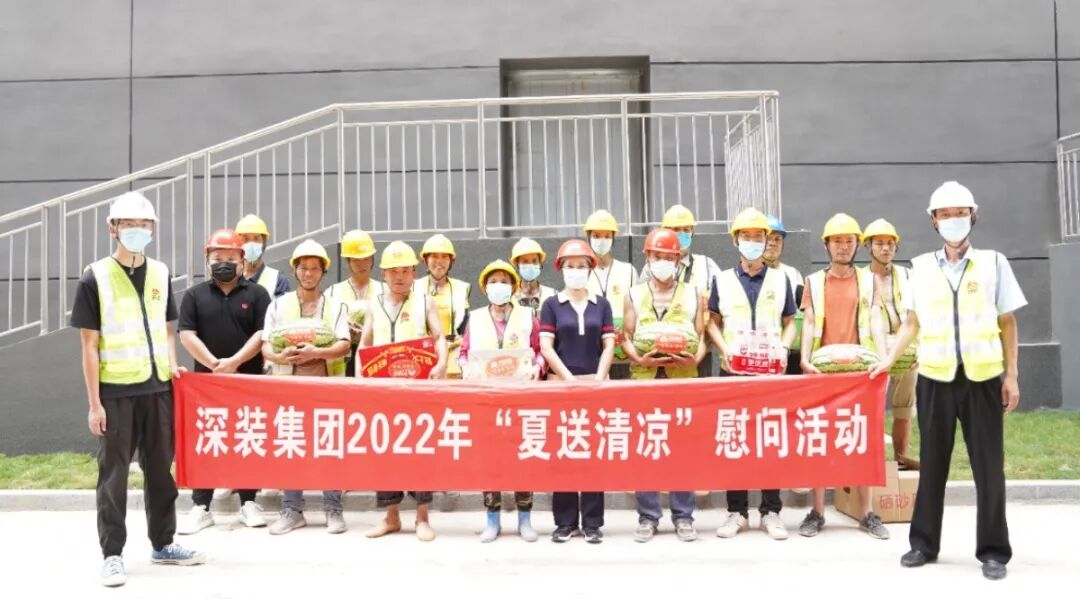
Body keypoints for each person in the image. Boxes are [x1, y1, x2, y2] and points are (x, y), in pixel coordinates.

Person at [871, 181, 1025, 581]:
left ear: (972, 216)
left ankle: (993, 550)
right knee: (933, 465)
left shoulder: (994, 263)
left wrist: (1011, 376)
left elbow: (1007, 322)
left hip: (982, 379)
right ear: (934, 221)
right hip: (935, 378)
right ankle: (923, 544)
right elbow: (911, 322)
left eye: (960, 213)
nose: (953, 220)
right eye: (945, 214)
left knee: (989, 468)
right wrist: (888, 359)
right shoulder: (921, 267)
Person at [70, 191, 205, 588]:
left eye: (144, 225)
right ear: (113, 228)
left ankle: (163, 543)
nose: (137, 231)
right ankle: (112, 554)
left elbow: (167, 330)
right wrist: (94, 404)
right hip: (115, 391)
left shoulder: (161, 273)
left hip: (157, 388)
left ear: (153, 230)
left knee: (161, 470)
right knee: (113, 476)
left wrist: (172, 365)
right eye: (129, 224)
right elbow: (89, 346)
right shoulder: (95, 277)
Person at [706, 208, 797, 541]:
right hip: (734, 373)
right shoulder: (722, 280)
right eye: (747, 236)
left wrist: (784, 348)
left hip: (770, 374)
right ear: (736, 241)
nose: (753, 242)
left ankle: (771, 511)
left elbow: (790, 322)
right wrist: (724, 348)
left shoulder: (781, 280)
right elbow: (712, 323)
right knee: (735, 438)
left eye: (759, 236)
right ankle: (737, 512)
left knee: (770, 439)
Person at [798, 213, 890, 540]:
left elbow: (876, 319)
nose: (843, 246)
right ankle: (817, 512)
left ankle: (867, 514)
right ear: (826, 244)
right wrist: (805, 359)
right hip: (823, 373)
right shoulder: (813, 282)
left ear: (857, 245)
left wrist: (884, 359)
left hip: (860, 373)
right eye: (837, 241)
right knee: (819, 440)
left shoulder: (868, 281)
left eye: (849, 241)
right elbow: (810, 321)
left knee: (863, 441)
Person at [177, 229, 272, 535]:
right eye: (217, 257)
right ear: (207, 260)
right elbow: (186, 334)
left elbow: (262, 334)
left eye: (230, 257)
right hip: (206, 386)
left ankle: (248, 502)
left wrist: (234, 363)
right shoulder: (194, 295)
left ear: (242, 260)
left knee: (247, 438)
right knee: (206, 441)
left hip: (248, 381)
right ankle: (201, 506)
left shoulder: (258, 295)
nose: (224, 263)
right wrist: (214, 365)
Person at [359, 240, 449, 542]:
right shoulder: (374, 304)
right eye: (393, 272)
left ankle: (422, 518)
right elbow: (364, 345)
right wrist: (359, 377)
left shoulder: (425, 302)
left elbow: (439, 337)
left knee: (419, 451)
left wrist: (441, 364)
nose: (399, 277)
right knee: (386, 451)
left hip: (418, 389)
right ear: (383, 274)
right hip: (382, 390)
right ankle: (391, 517)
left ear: (414, 273)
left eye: (405, 271)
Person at [622, 228, 707, 543]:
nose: (663, 262)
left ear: (678, 259)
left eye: (669, 257)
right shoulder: (633, 294)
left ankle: (683, 516)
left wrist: (694, 358)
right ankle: (648, 517)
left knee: (682, 449)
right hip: (644, 381)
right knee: (647, 448)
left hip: (682, 380)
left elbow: (702, 337)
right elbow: (626, 337)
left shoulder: (693, 294)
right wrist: (639, 359)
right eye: (657, 256)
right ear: (647, 257)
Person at [262, 240, 352, 536]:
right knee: (292, 446)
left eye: (315, 268)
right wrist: (280, 356)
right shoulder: (278, 305)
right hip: (289, 387)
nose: (309, 273)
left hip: (326, 388)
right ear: (295, 270)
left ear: (323, 272)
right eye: (303, 268)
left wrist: (317, 352)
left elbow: (344, 345)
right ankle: (292, 510)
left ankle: (333, 508)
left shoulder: (335, 306)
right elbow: (266, 346)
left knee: (329, 446)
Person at [458, 260, 545, 542]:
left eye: (504, 282)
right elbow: (464, 353)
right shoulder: (475, 318)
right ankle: (492, 519)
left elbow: (539, 350)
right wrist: (465, 368)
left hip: (521, 398)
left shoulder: (527, 316)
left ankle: (525, 518)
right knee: (490, 459)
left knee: (523, 456)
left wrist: (538, 367)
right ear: (485, 288)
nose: (499, 286)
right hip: (487, 400)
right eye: (493, 282)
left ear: (513, 286)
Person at [539, 239, 616, 544]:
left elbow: (609, 344)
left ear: (590, 268)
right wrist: (568, 378)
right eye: (569, 266)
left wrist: (599, 377)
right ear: (560, 269)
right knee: (565, 453)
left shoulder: (602, 304)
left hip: (596, 387)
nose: (575, 271)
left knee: (593, 453)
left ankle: (593, 523)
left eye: (581, 266)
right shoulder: (551, 305)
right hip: (561, 388)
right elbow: (546, 347)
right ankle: (565, 522)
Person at [641, 204, 721, 376]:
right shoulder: (650, 268)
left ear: (693, 232)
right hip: (657, 354)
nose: (682, 234)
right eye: (676, 230)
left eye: (686, 230)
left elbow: (719, 308)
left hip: (697, 353)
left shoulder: (708, 266)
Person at [862, 218, 916, 459]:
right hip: (874, 354)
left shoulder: (908, 275)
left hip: (906, 351)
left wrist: (919, 350)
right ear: (868, 246)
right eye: (879, 243)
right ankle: (874, 466)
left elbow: (920, 315)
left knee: (903, 411)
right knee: (870, 411)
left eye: (890, 244)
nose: (885, 249)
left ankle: (901, 460)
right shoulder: (860, 278)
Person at [583, 209, 638, 380]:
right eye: (596, 235)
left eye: (607, 236)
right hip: (593, 357)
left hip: (624, 355)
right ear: (588, 237)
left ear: (613, 238)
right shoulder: (580, 272)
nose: (602, 240)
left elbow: (637, 310)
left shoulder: (628, 271)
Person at [328, 229, 384, 377]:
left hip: (376, 361)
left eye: (366, 258)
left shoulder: (384, 290)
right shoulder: (332, 292)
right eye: (356, 260)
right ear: (348, 261)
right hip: (342, 364)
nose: (362, 264)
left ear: (372, 259)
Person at [763, 214, 806, 375]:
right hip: (760, 350)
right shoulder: (748, 274)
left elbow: (803, 310)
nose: (773, 243)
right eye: (768, 238)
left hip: (789, 352)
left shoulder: (793, 274)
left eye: (777, 239)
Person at [235, 213, 289, 298]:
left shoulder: (277, 280)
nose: (251, 244)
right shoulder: (230, 279)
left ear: (264, 243)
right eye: (245, 239)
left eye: (256, 238)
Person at [510, 237, 557, 317]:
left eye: (534, 261)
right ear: (517, 265)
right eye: (525, 261)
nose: (530, 265)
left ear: (540, 264)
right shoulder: (510, 297)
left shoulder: (552, 295)